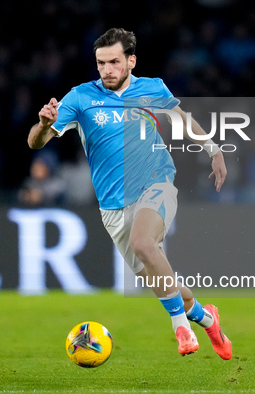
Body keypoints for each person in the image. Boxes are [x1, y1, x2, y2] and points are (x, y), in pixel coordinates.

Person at [28, 28, 232, 359]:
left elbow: (183, 121)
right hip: (113, 208)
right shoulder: (80, 98)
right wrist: (41, 124)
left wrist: (214, 150)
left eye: (113, 62)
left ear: (130, 61)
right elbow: (36, 142)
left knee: (143, 243)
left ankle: (181, 329)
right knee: (163, 282)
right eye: (100, 63)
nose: (106, 70)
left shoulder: (153, 88)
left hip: (157, 183)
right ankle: (208, 320)